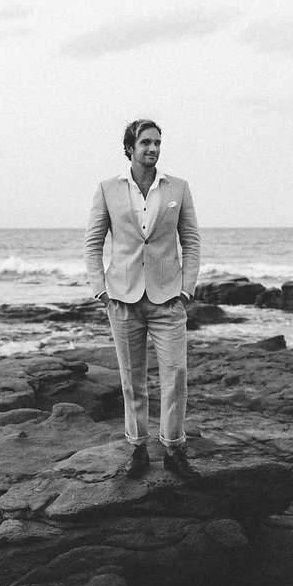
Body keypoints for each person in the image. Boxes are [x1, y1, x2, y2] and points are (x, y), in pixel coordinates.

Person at [84, 119, 202, 481]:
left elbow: (192, 241)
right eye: (146, 143)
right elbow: (93, 243)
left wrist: (186, 289)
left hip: (168, 299)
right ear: (130, 148)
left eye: (157, 143)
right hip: (122, 298)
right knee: (132, 379)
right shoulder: (108, 189)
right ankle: (137, 447)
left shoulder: (178, 188)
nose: (153, 149)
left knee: (176, 375)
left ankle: (173, 448)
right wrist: (100, 289)